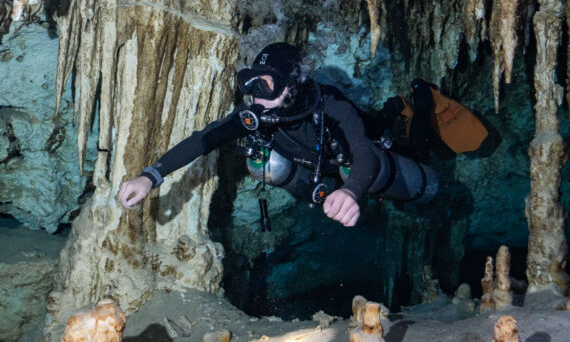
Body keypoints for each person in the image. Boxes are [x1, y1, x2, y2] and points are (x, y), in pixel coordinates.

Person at [118, 42, 438, 227]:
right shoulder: (256, 117)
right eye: (250, 84)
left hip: (365, 156)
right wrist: (150, 177)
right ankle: (392, 111)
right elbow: (204, 139)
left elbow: (363, 150)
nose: (256, 97)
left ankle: (419, 100)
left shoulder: (330, 106)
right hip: (325, 176)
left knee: (415, 158)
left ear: (291, 85)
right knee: (267, 165)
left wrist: (353, 191)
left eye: (266, 84)